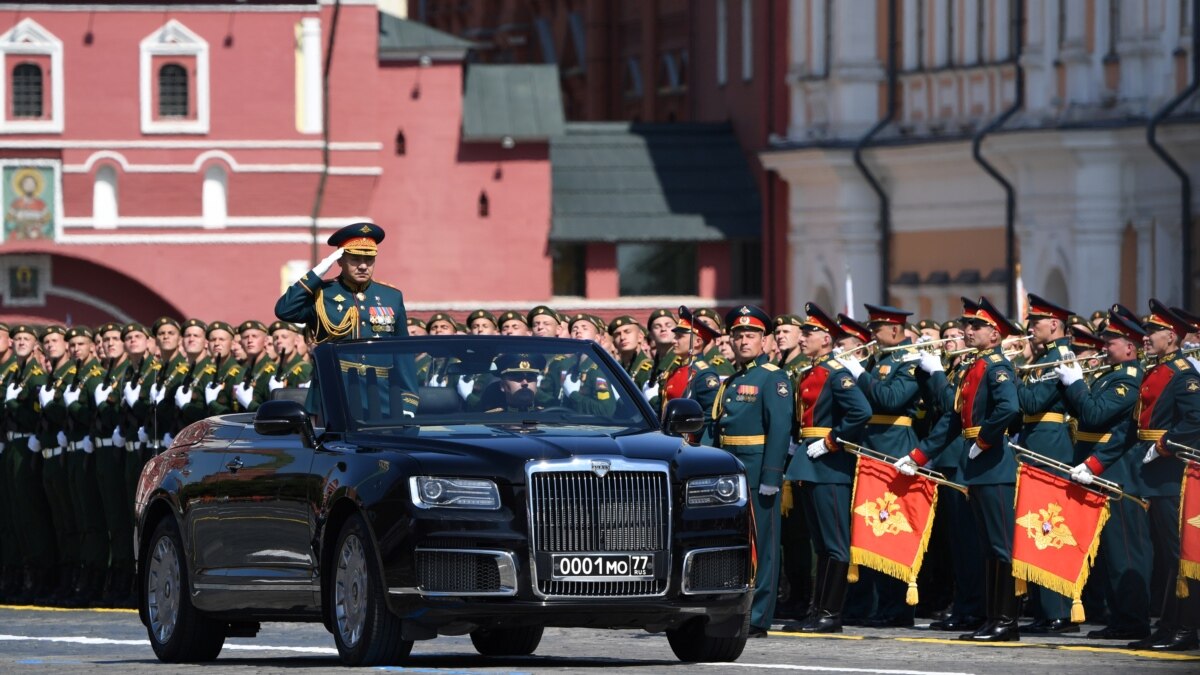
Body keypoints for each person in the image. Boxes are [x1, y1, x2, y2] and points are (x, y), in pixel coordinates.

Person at [902, 296, 1022, 642]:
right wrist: (919, 456)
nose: (969, 331)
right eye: (967, 325)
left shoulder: (997, 366)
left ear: (995, 334)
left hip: (994, 464)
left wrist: (984, 439)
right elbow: (952, 420)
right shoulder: (975, 366)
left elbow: (1009, 408)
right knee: (986, 546)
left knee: (1000, 546)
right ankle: (992, 616)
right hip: (976, 465)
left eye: (977, 326)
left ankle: (1005, 620)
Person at [1060, 310, 1151, 641]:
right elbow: (1083, 415)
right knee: (1109, 551)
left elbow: (1095, 415)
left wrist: (1075, 384)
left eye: (1110, 342)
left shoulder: (1128, 378)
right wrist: (1070, 386)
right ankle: (1119, 616)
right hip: (1098, 471)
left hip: (1118, 473)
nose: (1104, 347)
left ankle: (1133, 619)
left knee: (1125, 549)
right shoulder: (1110, 374)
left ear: (1130, 347)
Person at [781, 303, 871, 634]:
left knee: (833, 542)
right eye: (802, 332)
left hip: (830, 464)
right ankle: (816, 610)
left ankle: (830, 613)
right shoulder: (811, 371)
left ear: (826, 339)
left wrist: (833, 440)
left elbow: (860, 411)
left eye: (808, 333)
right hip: (810, 462)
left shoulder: (836, 373)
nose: (802, 338)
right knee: (820, 544)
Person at [711, 304, 793, 638]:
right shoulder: (734, 378)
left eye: (752, 335)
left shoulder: (773, 377)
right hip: (730, 470)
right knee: (730, 541)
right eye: (739, 335)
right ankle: (727, 608)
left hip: (758, 470)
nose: (744, 341)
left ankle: (758, 616)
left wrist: (771, 476)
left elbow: (780, 429)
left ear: (765, 340)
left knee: (763, 546)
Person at [838, 303, 922, 628]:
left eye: (877, 328)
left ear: (895, 331)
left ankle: (899, 608)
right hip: (873, 448)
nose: (871, 334)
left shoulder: (908, 359)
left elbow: (890, 400)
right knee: (876, 528)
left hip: (896, 447)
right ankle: (882, 605)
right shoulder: (879, 359)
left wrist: (859, 375)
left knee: (895, 529)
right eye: (871, 328)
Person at [1125, 300, 1200, 651]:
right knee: (1165, 554)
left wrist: (1166, 446)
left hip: (1173, 472)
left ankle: (1185, 628)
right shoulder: (1158, 368)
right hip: (1154, 471)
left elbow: (1195, 420)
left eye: (1152, 331)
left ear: (1171, 336)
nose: (1145, 336)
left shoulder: (1184, 372)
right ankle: (1169, 625)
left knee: (1179, 553)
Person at [1016, 293, 1078, 634]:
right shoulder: (1045, 357)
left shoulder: (1060, 358)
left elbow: (1033, 401)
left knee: (1050, 530)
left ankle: (1059, 612)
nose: (1030, 329)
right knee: (1035, 529)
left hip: (1050, 450)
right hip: (1036, 448)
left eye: (1035, 322)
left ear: (1054, 324)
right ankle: (1044, 609)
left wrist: (1009, 370)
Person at [275, 222, 409, 343]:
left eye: (369, 259)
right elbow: (284, 310)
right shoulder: (322, 293)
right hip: (335, 370)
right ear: (340, 260)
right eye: (355, 258)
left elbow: (403, 350)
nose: (363, 266)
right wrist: (317, 273)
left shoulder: (391, 296)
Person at [659, 309, 720, 443]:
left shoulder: (704, 374)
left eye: (680, 336)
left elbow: (711, 415)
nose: (674, 341)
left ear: (697, 342)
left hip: (689, 443)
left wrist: (690, 432)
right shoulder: (674, 370)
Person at [609, 316, 654, 390]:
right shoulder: (614, 370)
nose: (622, 337)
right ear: (614, 344)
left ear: (640, 337)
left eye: (627, 332)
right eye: (617, 334)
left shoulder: (649, 370)